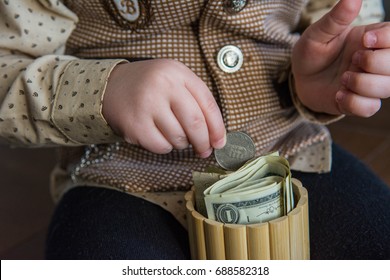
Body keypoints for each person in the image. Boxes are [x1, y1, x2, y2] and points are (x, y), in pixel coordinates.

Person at [0, 0, 389, 260]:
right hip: (118, 180)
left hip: (290, 152)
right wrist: (103, 90)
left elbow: (344, 14)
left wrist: (347, 60)